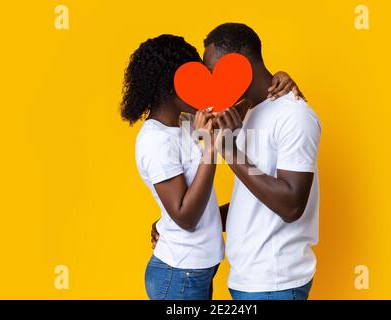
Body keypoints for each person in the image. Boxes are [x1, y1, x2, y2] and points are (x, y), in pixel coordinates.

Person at [121, 34, 301, 300]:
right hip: (178, 274)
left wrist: (275, 83)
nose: (205, 92)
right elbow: (185, 216)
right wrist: (210, 150)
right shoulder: (155, 140)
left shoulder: (185, 124)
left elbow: (232, 117)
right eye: (194, 83)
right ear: (171, 88)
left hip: (196, 271)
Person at [204, 23, 322, 300]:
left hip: (275, 283)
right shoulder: (244, 114)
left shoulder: (294, 116)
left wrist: (231, 153)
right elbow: (255, 199)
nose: (210, 83)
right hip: (248, 280)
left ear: (239, 65)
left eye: (213, 72)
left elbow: (291, 204)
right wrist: (176, 225)